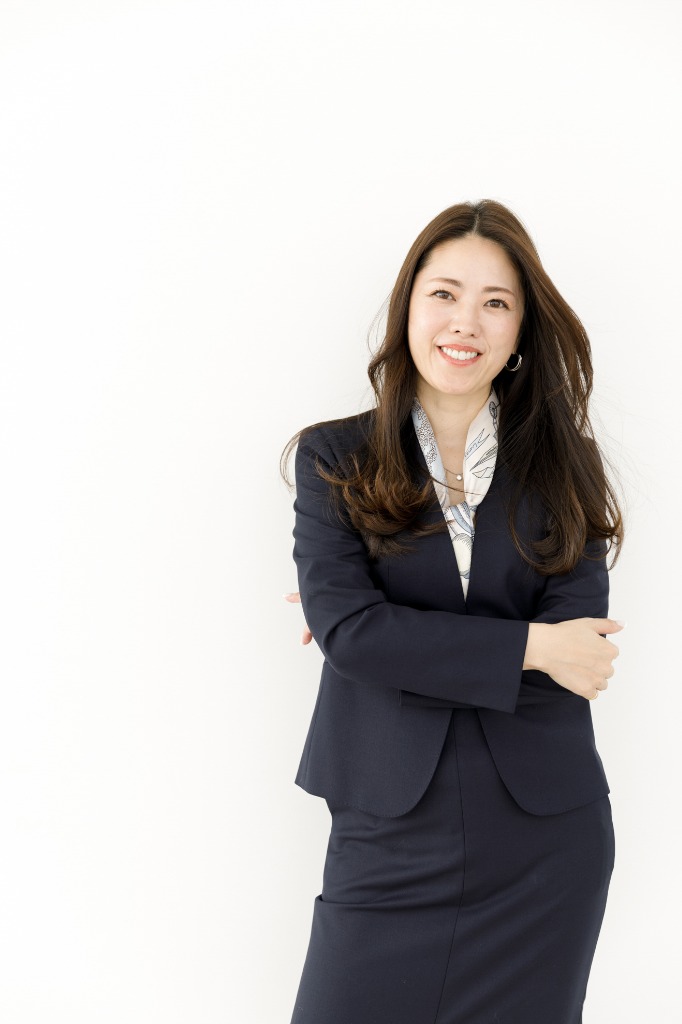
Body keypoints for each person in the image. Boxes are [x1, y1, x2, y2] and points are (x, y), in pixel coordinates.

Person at [281, 199, 624, 1024]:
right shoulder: (335, 457)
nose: (466, 321)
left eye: (495, 302)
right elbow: (354, 634)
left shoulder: (568, 468)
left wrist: (400, 632)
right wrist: (528, 645)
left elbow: (580, 653)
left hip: (544, 838)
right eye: (445, 293)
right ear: (408, 305)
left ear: (520, 331)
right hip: (386, 827)